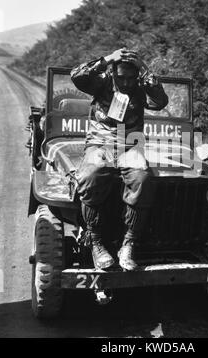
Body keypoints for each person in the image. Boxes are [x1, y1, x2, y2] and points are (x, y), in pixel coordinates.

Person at [70, 48, 168, 271]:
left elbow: (160, 101)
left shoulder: (141, 86)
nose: (125, 82)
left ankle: (128, 244)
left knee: (142, 180)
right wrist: (106, 59)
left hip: (130, 145)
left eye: (131, 77)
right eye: (121, 77)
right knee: (90, 176)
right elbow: (77, 75)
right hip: (100, 143)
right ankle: (96, 242)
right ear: (113, 72)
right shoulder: (101, 82)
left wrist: (144, 68)